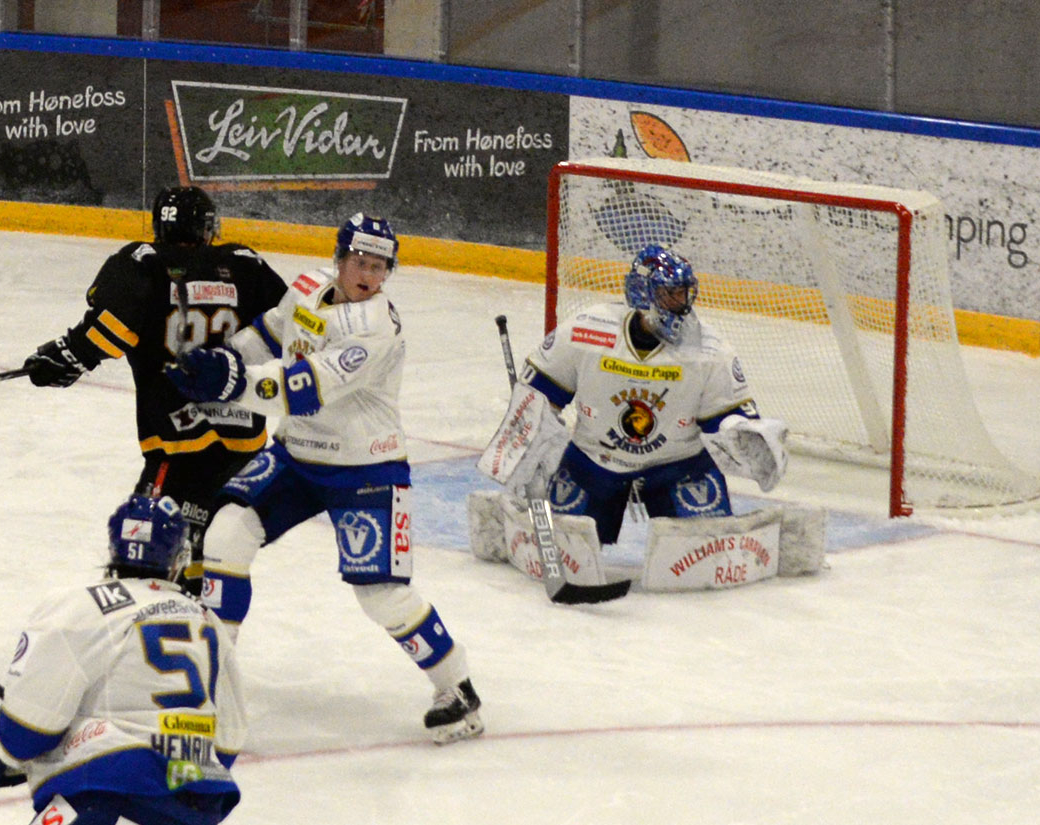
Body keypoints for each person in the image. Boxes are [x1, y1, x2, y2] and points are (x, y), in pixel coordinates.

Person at [162, 213, 484, 745]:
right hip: (297, 456)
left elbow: (303, 388)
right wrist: (219, 360)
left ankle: (456, 690)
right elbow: (267, 335)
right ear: (339, 259)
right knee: (225, 534)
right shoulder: (309, 286)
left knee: (381, 595)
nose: (367, 274)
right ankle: (210, 681)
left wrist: (229, 384)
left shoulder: (377, 328)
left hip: (365, 469)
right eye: (360, 261)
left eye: (379, 266)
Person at [472, 243, 791, 582]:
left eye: (684, 294)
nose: (681, 306)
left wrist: (743, 433)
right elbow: (540, 396)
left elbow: (724, 415)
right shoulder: (587, 329)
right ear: (642, 293)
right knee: (566, 550)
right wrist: (533, 434)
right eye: (670, 295)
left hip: (678, 469)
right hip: (593, 465)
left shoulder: (709, 349)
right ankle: (509, 519)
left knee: (706, 563)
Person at [23, 185, 289, 590]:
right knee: (215, 557)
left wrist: (66, 356)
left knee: (147, 552)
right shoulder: (244, 263)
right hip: (245, 451)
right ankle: (205, 637)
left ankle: (161, 637)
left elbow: (110, 330)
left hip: (179, 448)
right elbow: (290, 328)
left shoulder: (142, 262)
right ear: (206, 227)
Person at [0, 493, 246, 825]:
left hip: (101, 799)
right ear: (177, 559)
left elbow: (27, 734)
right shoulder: (207, 620)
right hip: (194, 806)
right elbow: (227, 744)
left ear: (114, 547)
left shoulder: (81, 607)